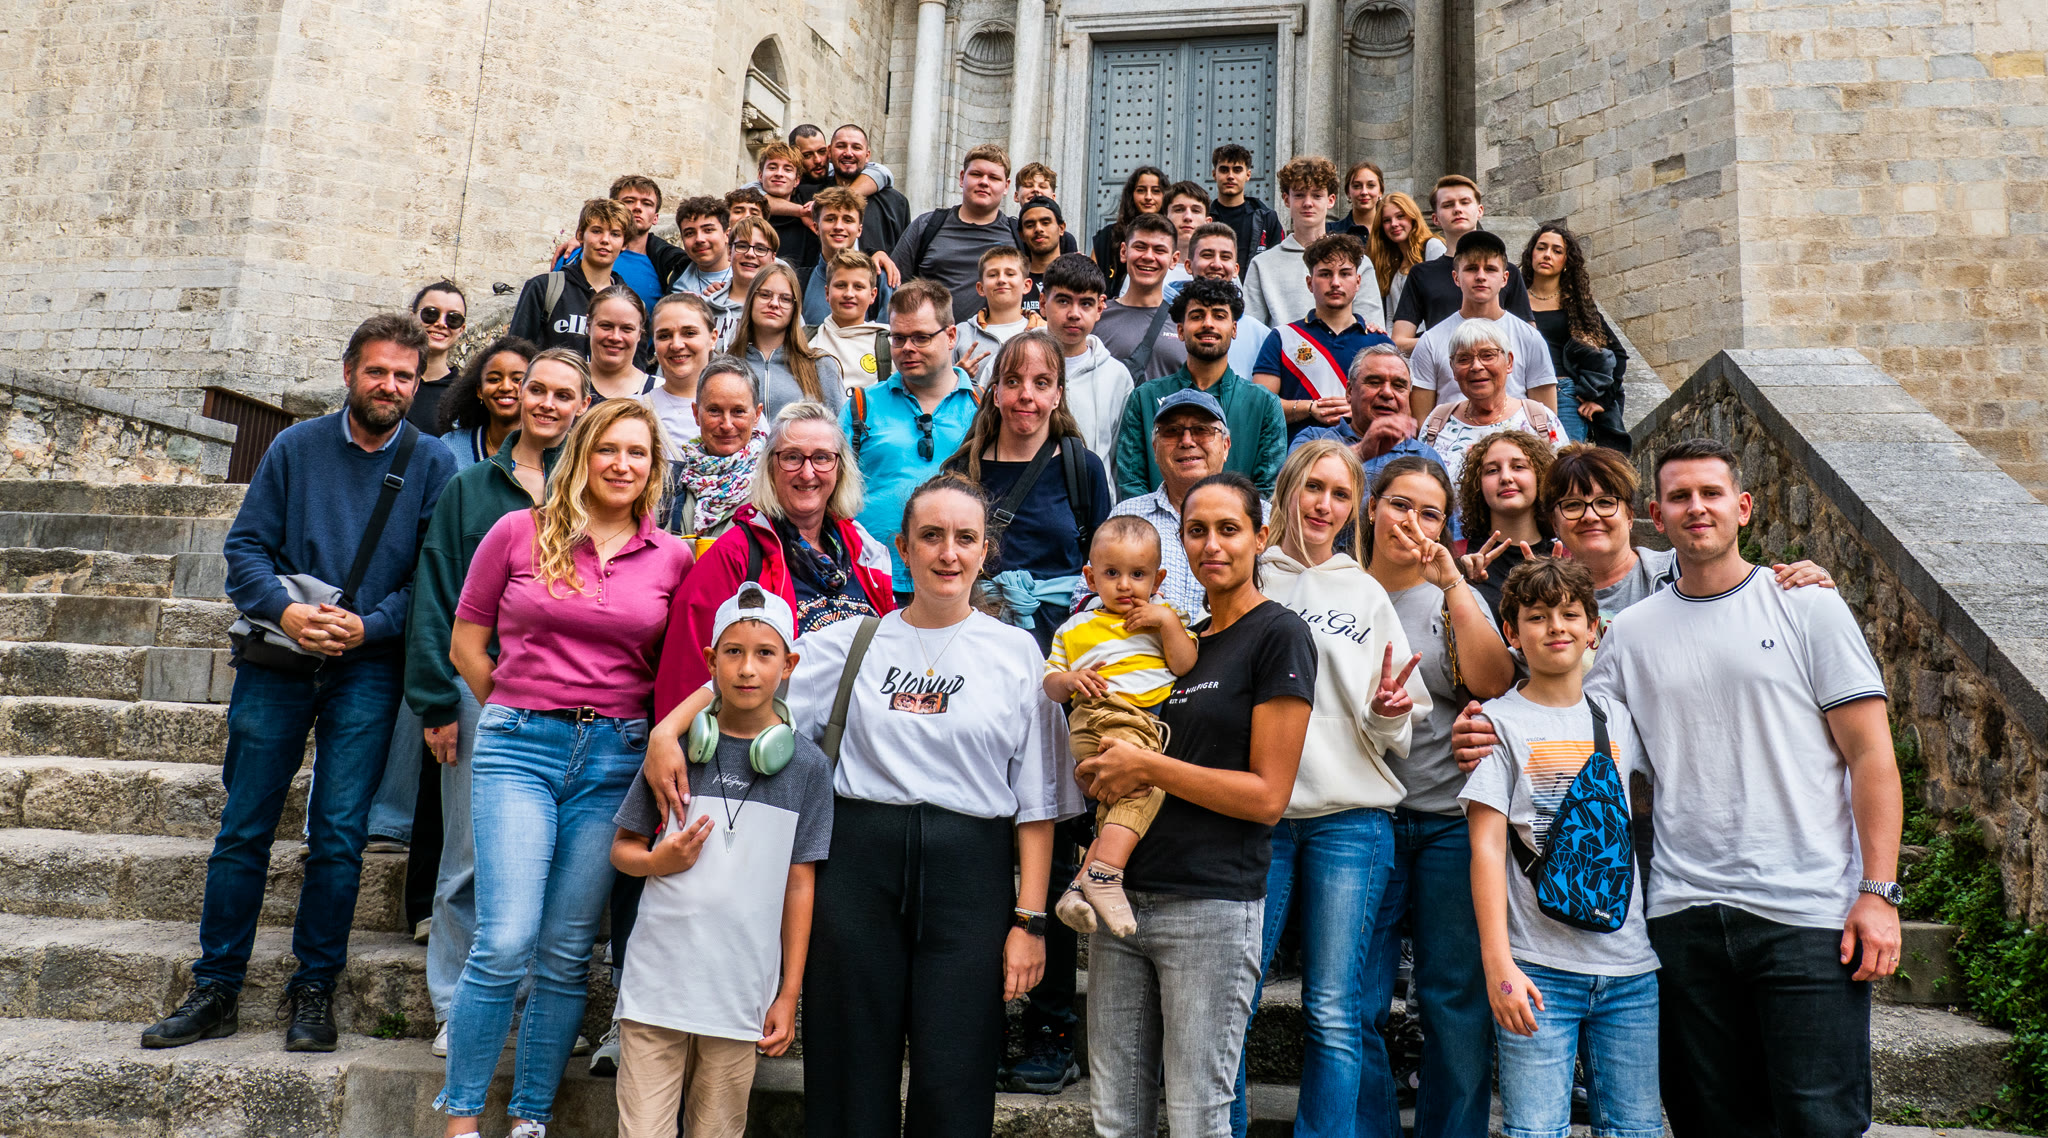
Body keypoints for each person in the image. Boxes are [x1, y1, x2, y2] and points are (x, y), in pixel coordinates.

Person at [1454, 438, 1903, 1136]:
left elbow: (1871, 753)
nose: (1697, 508)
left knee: (1820, 1121)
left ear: (1743, 507)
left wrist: (1878, 892)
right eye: (1680, 497)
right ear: (1657, 516)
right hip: (1681, 913)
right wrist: (1486, 731)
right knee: (1709, 1122)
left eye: (1711, 493)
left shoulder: (1806, 606)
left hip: (1806, 909)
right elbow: (1570, 723)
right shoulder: (1630, 633)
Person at [143, 314, 457, 1051]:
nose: (390, 386)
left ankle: (315, 987)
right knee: (244, 826)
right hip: (278, 660)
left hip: (367, 668)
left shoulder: (433, 461)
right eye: (377, 371)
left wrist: (369, 627)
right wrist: (287, 612)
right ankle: (217, 985)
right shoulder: (294, 446)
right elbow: (246, 548)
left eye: (404, 375)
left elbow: (431, 576)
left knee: (341, 836)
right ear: (348, 372)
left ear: (418, 384)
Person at [436, 399, 693, 1138]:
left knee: (566, 950)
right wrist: (515, 706)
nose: (622, 464)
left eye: (638, 452)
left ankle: (529, 1117)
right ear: (581, 454)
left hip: (615, 757)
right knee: (505, 940)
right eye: (609, 448)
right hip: (519, 748)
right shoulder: (519, 531)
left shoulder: (672, 557)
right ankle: (461, 1118)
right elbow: (466, 644)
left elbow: (684, 666)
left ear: (654, 467)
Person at [789, 474, 1071, 1137]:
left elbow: (1037, 803)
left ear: (984, 551)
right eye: (932, 536)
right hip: (856, 867)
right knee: (849, 1069)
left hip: (969, 873)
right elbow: (748, 696)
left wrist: (1030, 922)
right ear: (904, 547)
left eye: (965, 538)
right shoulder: (847, 643)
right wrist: (667, 734)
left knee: (955, 1070)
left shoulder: (1016, 654)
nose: (949, 553)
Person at [1078, 470, 1317, 1138]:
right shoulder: (1177, 640)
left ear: (1261, 538)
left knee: (1197, 1118)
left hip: (1211, 905)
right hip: (1124, 898)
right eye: (1196, 530)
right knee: (1114, 1118)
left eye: (1228, 529)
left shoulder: (1279, 634)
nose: (1211, 544)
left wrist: (1146, 765)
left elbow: (1268, 798)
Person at [1225, 439, 1428, 1138]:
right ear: (1286, 489)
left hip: (1350, 818)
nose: (1325, 504)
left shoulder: (1364, 591)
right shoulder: (1249, 578)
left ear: (1354, 509)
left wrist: (1388, 710)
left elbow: (1394, 717)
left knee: (1335, 1011)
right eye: (1314, 487)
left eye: (1341, 494)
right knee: (1234, 999)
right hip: (1257, 816)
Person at [405, 347, 591, 1058]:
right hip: (479, 685)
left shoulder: (597, 486)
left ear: (582, 405)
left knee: (551, 859)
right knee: (468, 854)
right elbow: (436, 593)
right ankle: (456, 1004)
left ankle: (533, 1004)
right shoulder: (471, 488)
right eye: (536, 389)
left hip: (567, 694)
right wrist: (436, 701)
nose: (545, 402)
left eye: (562, 394)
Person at [609, 584, 832, 1138]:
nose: (747, 668)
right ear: (711, 662)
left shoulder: (807, 767)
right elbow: (623, 850)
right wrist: (658, 861)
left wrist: (788, 993)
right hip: (656, 986)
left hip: (739, 993)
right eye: (733, 652)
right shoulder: (676, 752)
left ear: (789, 665)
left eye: (765, 653)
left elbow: (800, 884)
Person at [1460, 558, 1661, 1138]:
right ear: (1511, 632)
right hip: (1537, 969)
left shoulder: (1619, 719)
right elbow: (1486, 850)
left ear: (1594, 629)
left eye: (1571, 614)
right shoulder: (1497, 724)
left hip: (1631, 968)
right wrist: (1499, 965)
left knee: (1637, 1129)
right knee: (1534, 1130)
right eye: (1537, 616)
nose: (1556, 627)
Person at [1355, 455, 1517, 1138]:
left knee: (1454, 1000)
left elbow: (1495, 681)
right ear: (1371, 508)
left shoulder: (1453, 595)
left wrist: (1453, 583)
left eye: (1430, 514)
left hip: (1450, 819)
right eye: (1399, 505)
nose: (1412, 523)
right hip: (1362, 820)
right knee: (1355, 1002)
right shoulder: (1342, 590)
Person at [656, 401, 896, 707]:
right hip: (775, 732)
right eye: (792, 457)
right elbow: (685, 672)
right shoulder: (735, 555)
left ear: (840, 468)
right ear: (770, 467)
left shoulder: (864, 551)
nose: (807, 473)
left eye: (822, 458)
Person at [1045, 514, 1198, 939]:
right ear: (1090, 578)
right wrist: (1070, 679)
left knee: (1117, 805)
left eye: (1138, 574)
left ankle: (1078, 889)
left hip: (1143, 724)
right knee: (1150, 784)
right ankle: (1106, 874)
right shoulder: (1075, 627)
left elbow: (1184, 664)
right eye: (1112, 574)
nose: (1125, 585)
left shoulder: (1165, 619)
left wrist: (1166, 623)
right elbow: (1050, 684)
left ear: (1158, 579)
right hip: (1104, 714)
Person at [942, 330, 1111, 645]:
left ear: (1058, 395)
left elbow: (1103, 565)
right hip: (977, 639)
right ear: (995, 393)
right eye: (1013, 381)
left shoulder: (1083, 469)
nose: (1026, 394)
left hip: (1062, 644)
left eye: (1041, 383)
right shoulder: (962, 472)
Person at [844, 281, 982, 599]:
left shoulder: (983, 407)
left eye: (921, 337)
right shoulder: (861, 406)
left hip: (955, 579)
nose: (907, 348)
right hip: (870, 579)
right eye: (899, 338)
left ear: (951, 336)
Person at [1112, 277, 1287, 499]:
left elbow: (1266, 491)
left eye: (1219, 316)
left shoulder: (1264, 404)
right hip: (1155, 521)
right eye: (1197, 316)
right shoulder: (1144, 398)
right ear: (1180, 330)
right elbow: (1131, 484)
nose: (1208, 323)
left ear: (1234, 329)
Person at [1108, 389, 1268, 620]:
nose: (1186, 441)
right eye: (1171, 432)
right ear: (1155, 449)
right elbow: (1086, 595)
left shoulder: (1265, 516)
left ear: (1226, 446)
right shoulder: (1127, 515)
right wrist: (1117, 604)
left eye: (1202, 430)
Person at [1252, 232, 1396, 438]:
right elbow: (1259, 406)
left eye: (1344, 274)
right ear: (1309, 283)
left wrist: (1359, 411)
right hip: (1300, 454)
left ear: (1358, 282)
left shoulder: (1380, 343)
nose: (1335, 282)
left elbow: (1401, 413)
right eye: (1325, 274)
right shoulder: (1282, 338)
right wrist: (1309, 408)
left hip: (1365, 454)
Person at [1409, 231, 1557, 421]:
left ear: (1505, 278)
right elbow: (1423, 423)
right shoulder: (1430, 341)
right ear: (1456, 277)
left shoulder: (1529, 338)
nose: (1481, 276)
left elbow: (1546, 419)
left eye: (1490, 269)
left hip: (1517, 438)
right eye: (1471, 269)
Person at [1391, 175, 1533, 351]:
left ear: (1480, 211)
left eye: (1465, 202)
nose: (1457, 209)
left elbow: (1528, 338)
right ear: (1435, 218)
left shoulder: (1507, 271)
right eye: (1448, 205)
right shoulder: (1421, 274)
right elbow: (1399, 342)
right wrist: (1453, 343)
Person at [1419, 318, 1564, 487]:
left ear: (1509, 362)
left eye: (1488, 355)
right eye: (1464, 359)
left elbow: (1564, 485)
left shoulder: (1540, 420)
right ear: (1453, 368)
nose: (1476, 366)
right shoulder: (1437, 423)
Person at [1245, 156, 1384, 331]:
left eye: (1317, 195)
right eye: (1299, 195)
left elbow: (1372, 328)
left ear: (1330, 200)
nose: (1308, 203)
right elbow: (1251, 331)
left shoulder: (1357, 261)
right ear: (1286, 200)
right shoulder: (1262, 264)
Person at [1523, 224, 1631, 449]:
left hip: (1564, 394)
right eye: (1541, 248)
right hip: (1519, 392)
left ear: (1566, 262)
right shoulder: (1513, 301)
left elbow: (1618, 354)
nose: (1547, 255)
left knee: (1564, 463)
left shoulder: (1576, 305)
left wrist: (1602, 400)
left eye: (1557, 251)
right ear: (1531, 254)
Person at [891, 144, 1020, 321]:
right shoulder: (926, 226)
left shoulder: (1019, 235)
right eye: (976, 174)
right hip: (929, 335)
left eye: (994, 177)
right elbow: (895, 286)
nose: (984, 182)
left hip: (997, 337)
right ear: (961, 178)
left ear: (1006, 186)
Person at [1293, 343, 1448, 484]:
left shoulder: (1426, 456)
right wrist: (1361, 451)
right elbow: (1291, 487)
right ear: (1350, 392)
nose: (1387, 393)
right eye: (1374, 383)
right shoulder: (1313, 439)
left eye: (1398, 385)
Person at [1038, 254, 1133, 476]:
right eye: (1063, 301)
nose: (1074, 314)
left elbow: (1122, 462)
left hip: (1094, 496)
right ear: (1042, 303)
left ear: (1100, 308)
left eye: (1086, 303)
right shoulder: (1011, 362)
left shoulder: (1117, 377)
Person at [548, 176, 691, 317]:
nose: (637, 208)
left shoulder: (665, 265)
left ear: (655, 218)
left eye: (647, 203)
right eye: (629, 201)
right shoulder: (574, 254)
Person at [663, 357, 765, 543]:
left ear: (757, 415)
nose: (726, 425)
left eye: (738, 411)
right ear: (696, 413)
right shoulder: (667, 486)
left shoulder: (775, 485)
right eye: (714, 411)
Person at [509, 198, 629, 356]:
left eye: (615, 234)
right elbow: (515, 353)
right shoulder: (543, 288)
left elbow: (635, 363)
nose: (605, 240)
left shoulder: (629, 303)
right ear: (580, 235)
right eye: (596, 231)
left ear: (624, 243)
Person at [1456, 430, 1558, 614]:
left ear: (1540, 477)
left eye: (1518, 467)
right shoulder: (1457, 557)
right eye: (1492, 471)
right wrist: (1457, 580)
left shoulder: (1565, 558)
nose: (1505, 478)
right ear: (1478, 485)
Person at [729, 263, 843, 418]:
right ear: (751, 300)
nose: (774, 304)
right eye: (765, 295)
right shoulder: (727, 364)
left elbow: (839, 427)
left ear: (795, 309)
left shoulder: (819, 364)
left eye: (785, 299)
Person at [1095, 213, 1189, 383]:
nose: (1148, 256)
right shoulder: (1096, 316)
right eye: (1140, 247)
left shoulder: (1185, 322)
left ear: (1174, 259)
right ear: (1124, 252)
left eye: (1159, 250)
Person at [1183, 222, 1272, 378]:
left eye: (1225, 257)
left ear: (1236, 269)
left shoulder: (1261, 335)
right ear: (1188, 265)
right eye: (1207, 255)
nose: (1216, 264)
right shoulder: (1167, 322)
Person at [436, 335, 536, 468]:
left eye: (517, 379)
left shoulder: (550, 448)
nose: (505, 387)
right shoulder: (451, 447)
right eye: (494, 379)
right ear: (480, 391)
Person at [804, 187, 892, 326]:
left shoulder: (881, 279)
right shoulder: (801, 281)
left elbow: (890, 334)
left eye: (848, 220)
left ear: (859, 230)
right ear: (816, 227)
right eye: (830, 219)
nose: (839, 226)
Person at [806, 249, 893, 390]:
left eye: (858, 287)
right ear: (827, 293)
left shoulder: (889, 343)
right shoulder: (806, 341)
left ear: (873, 295)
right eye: (841, 285)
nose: (849, 294)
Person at [643, 293, 718, 448]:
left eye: (689, 333)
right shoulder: (635, 410)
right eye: (664, 336)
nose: (676, 345)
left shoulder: (740, 410)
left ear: (713, 338)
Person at [826, 124, 912, 259]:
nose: (848, 153)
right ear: (829, 151)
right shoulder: (813, 195)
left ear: (867, 156)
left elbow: (904, 257)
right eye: (841, 146)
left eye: (856, 147)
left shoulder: (895, 202)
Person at [669, 196, 743, 346]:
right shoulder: (677, 280)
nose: (699, 239)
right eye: (690, 233)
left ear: (727, 235)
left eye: (708, 230)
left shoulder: (747, 274)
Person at [956, 245, 1043, 369]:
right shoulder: (960, 334)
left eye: (1010, 274)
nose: (1001, 280)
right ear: (981, 288)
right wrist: (959, 376)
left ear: (1026, 285)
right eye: (992, 275)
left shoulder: (1045, 333)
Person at [1365, 192, 1443, 325]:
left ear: (1412, 217)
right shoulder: (1392, 263)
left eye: (1400, 216)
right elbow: (1391, 317)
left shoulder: (1432, 247)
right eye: (1387, 220)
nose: (1394, 224)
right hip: (1401, 337)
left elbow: (1443, 302)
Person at [1090, 165, 1168, 296]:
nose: (1148, 197)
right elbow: (1091, 282)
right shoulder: (1109, 235)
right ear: (1131, 195)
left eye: (1156, 191)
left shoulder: (1172, 236)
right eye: (1141, 190)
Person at [1209, 144, 1286, 277]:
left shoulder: (1267, 218)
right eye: (1224, 170)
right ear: (1214, 174)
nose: (1230, 176)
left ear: (1248, 175)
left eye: (1237, 170)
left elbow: (1280, 262)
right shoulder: (1204, 218)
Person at [753, 142, 821, 276]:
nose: (779, 174)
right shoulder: (747, 214)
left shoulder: (807, 224)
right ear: (760, 176)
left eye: (787, 169)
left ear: (797, 180)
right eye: (772, 168)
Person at [407, 281, 467, 433]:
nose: (441, 323)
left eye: (453, 319)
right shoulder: (385, 379)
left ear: (461, 329)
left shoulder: (465, 396)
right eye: (431, 314)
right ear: (412, 317)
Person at [587, 285, 653, 401]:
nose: (615, 337)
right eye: (606, 326)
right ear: (588, 326)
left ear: (639, 333)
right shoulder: (562, 382)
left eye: (627, 329)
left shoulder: (658, 392)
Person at [725, 216, 782, 340]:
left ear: (773, 259)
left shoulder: (783, 309)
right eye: (742, 246)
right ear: (729, 252)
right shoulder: (706, 307)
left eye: (760, 249)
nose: (750, 254)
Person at [1017, 196, 1068, 315]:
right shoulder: (1014, 280)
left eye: (1045, 223)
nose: (1038, 229)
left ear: (1061, 228)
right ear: (1021, 235)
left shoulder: (1078, 276)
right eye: (1030, 225)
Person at [1158, 180, 1210, 286]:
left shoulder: (1221, 269)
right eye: (1179, 210)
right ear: (1164, 219)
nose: (1188, 217)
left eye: (1196, 211)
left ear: (1208, 222)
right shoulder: (1149, 266)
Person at [1333, 160, 1383, 238]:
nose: (1364, 192)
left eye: (1371, 185)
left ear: (1380, 191)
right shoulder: (1331, 231)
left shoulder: (1391, 231)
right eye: (1356, 186)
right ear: (1348, 192)